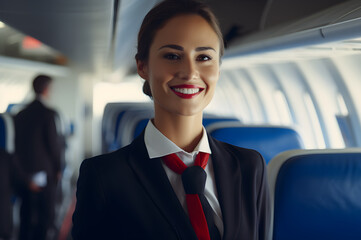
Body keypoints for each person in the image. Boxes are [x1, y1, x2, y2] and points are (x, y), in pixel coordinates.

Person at [72, 0, 271, 239]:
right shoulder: (104, 177)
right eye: (172, 56)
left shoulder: (250, 166)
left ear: (218, 67)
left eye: (204, 57)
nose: (189, 72)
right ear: (143, 66)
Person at [14, 75, 63, 240]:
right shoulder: (49, 114)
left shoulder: (19, 115)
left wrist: (24, 177)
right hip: (44, 173)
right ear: (46, 89)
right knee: (45, 217)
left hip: (24, 174)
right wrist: (58, 168)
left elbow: (16, 148)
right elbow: (53, 146)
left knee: (26, 216)